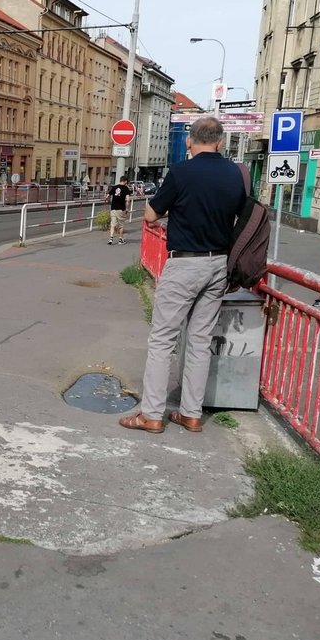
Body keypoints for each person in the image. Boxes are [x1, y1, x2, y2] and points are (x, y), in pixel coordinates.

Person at [119, 116, 246, 434]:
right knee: (200, 341)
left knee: (163, 339)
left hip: (185, 263)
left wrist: (173, 215)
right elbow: (240, 217)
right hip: (218, 264)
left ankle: (152, 414)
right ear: (220, 142)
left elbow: (151, 214)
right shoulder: (236, 173)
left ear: (190, 141)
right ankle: (191, 413)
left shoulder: (181, 172)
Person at [106, 176, 132, 245]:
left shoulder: (114, 187)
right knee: (121, 225)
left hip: (113, 208)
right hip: (121, 208)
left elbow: (107, 195)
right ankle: (120, 240)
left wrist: (109, 201)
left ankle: (111, 239)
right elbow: (128, 200)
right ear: (125, 181)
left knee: (113, 224)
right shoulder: (126, 188)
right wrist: (127, 208)